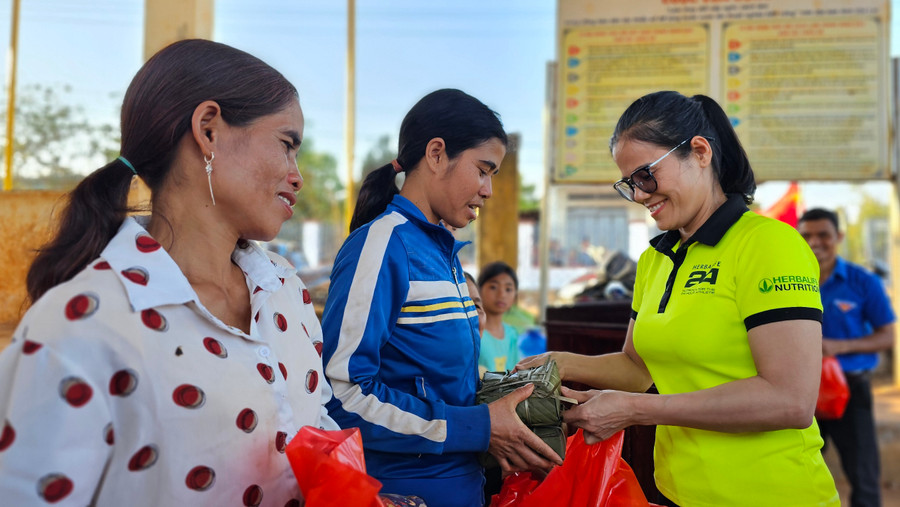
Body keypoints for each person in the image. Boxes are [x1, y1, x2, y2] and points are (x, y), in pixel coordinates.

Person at [0, 39, 338, 506]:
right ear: (209, 129)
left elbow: (317, 430)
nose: (298, 175)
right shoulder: (80, 325)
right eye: (286, 145)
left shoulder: (285, 290)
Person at [519, 91, 839, 506]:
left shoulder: (768, 245)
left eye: (646, 176)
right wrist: (561, 363)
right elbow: (638, 368)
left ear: (700, 152)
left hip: (772, 492)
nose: (639, 195)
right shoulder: (656, 259)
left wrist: (635, 410)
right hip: (679, 491)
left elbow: (789, 400)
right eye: (628, 183)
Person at [321, 89, 561, 507]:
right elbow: (342, 395)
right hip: (405, 491)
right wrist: (478, 426)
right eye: (483, 170)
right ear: (436, 154)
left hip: (462, 485)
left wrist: (524, 404)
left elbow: (438, 383)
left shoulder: (443, 252)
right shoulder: (382, 246)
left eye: (494, 175)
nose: (488, 190)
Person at [798, 208, 896, 507]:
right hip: (800, 391)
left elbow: (888, 336)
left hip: (850, 391)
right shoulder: (787, 281)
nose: (815, 242)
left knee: (863, 474)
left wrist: (839, 347)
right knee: (797, 471)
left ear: (838, 236)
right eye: (807, 236)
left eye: (823, 235)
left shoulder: (864, 282)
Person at [477, 261, 521, 375]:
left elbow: (515, 373)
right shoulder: (474, 333)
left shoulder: (511, 333)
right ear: (479, 290)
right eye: (493, 287)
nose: (501, 294)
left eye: (508, 289)